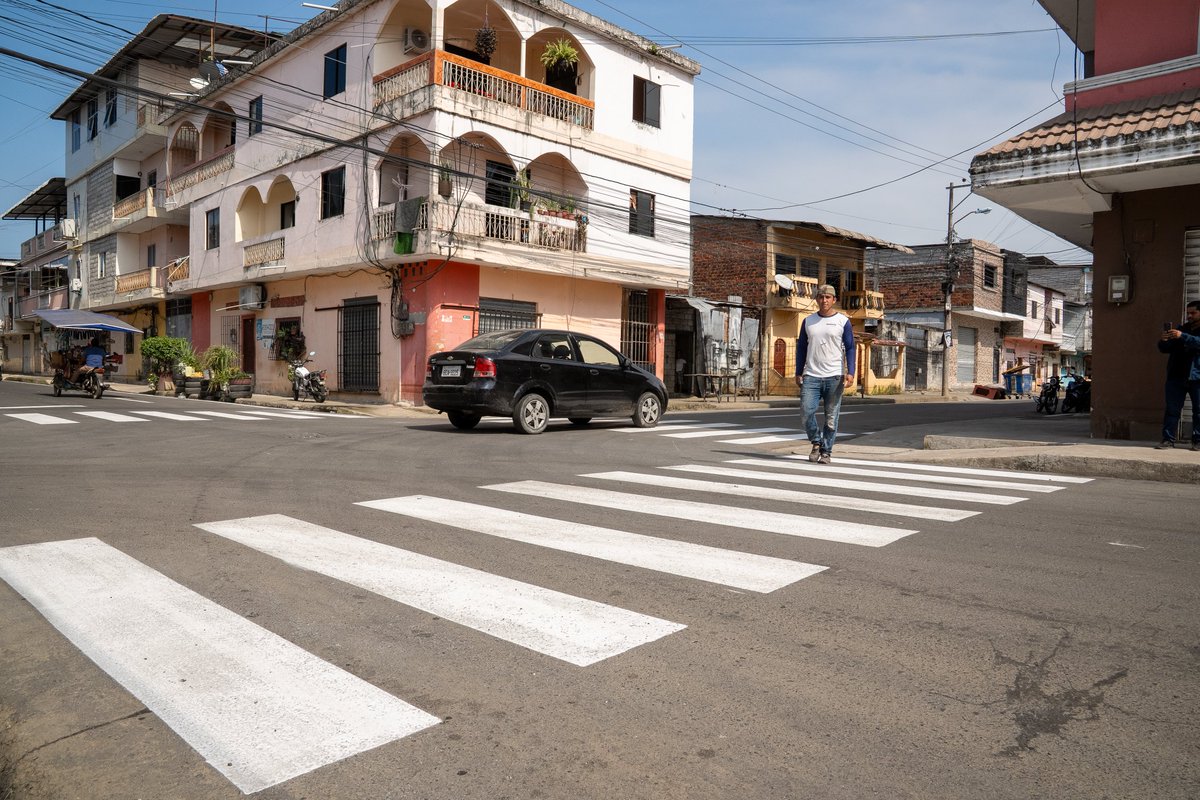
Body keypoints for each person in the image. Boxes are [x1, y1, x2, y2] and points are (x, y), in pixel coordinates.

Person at [795, 284, 855, 464]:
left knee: (831, 417)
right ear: (817, 299)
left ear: (834, 300)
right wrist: (798, 371)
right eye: (821, 297)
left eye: (828, 297)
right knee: (806, 412)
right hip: (811, 375)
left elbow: (850, 348)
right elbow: (801, 348)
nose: (824, 300)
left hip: (834, 376)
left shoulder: (843, 321)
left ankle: (826, 452)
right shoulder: (808, 321)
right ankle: (816, 442)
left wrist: (850, 372)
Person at [1155, 300, 1200, 450]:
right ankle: (1168, 440)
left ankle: (1198, 441)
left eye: (1193, 313)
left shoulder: (1182, 333)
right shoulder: (1182, 329)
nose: (1189, 316)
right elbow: (1165, 349)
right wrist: (1164, 340)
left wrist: (1182, 336)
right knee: (1172, 410)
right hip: (1176, 377)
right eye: (1188, 313)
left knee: (1198, 411)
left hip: (1197, 377)